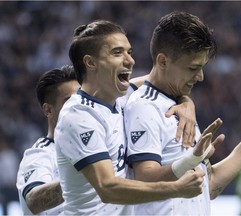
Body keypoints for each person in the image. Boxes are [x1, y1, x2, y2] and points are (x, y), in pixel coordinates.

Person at [54, 19, 216, 215]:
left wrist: (186, 103)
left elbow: (161, 81)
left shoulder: (119, 98)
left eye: (129, 52)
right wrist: (177, 189)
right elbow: (108, 188)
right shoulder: (79, 116)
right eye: (117, 52)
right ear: (90, 62)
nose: (130, 60)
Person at [124, 11, 241, 215]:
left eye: (202, 68)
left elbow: (207, 188)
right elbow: (144, 180)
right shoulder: (144, 107)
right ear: (163, 61)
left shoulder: (180, 108)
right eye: (193, 68)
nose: (200, 77)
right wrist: (191, 161)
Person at [16, 65, 81, 215]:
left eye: (81, 99)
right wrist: (88, 174)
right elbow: (34, 201)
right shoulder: (40, 154)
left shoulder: (94, 145)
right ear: (48, 110)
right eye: (69, 101)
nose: (78, 106)